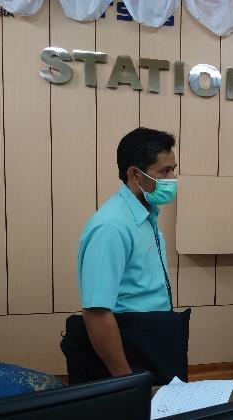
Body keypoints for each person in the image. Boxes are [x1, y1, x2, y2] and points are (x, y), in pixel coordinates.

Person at [77, 127, 178, 378]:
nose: (172, 178)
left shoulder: (146, 215)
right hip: (130, 346)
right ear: (134, 174)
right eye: (164, 171)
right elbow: (96, 312)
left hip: (153, 338)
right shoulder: (111, 226)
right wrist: (126, 379)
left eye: (173, 170)